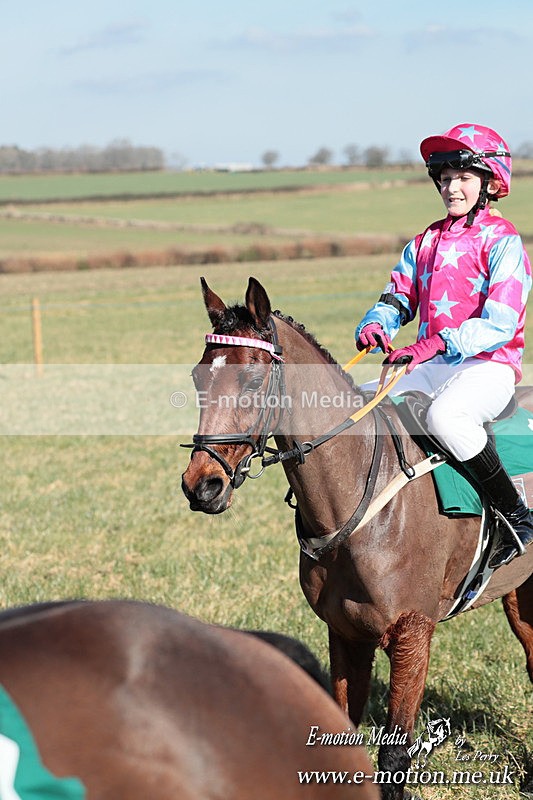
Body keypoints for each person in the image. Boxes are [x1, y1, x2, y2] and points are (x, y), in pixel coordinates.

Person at [354, 122, 533, 569]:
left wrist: (435, 344)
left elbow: (500, 323)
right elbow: (399, 295)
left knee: (446, 417)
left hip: (488, 366)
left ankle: (516, 517)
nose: (452, 188)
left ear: (489, 183)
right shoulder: (426, 241)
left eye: (464, 177)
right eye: (446, 178)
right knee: (353, 404)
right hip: (432, 363)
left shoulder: (504, 241)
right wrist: (377, 323)